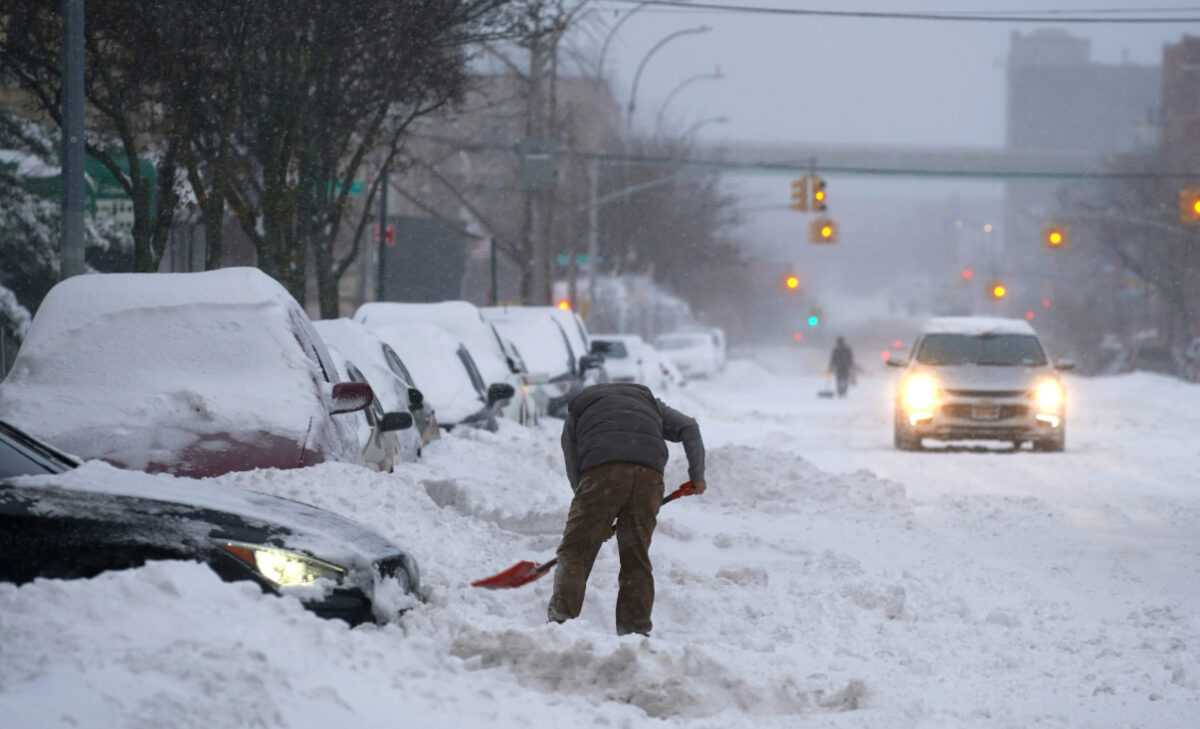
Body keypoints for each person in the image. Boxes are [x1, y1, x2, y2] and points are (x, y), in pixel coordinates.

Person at [548, 382, 706, 636]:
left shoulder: (579, 410)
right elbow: (689, 426)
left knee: (575, 553)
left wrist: (594, 517)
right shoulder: (649, 404)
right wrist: (697, 475)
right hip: (648, 475)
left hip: (602, 472)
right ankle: (635, 632)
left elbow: (573, 464)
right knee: (636, 557)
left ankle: (560, 627)